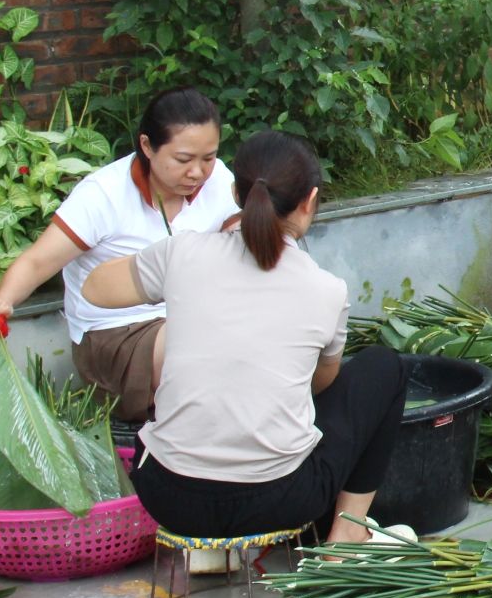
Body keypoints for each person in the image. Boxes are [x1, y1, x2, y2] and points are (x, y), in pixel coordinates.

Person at [82, 131, 405, 544]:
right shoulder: (326, 289)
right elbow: (321, 383)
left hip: (169, 497)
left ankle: (211, 554)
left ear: (235, 192)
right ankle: (345, 539)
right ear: (310, 201)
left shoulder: (183, 254)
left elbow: (94, 289)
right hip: (281, 499)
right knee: (385, 368)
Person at [0, 87, 236, 421]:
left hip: (193, 319)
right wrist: (2, 303)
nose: (198, 172)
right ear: (146, 146)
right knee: (201, 340)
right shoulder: (104, 194)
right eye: (183, 160)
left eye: (208, 158)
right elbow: (39, 261)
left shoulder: (219, 181)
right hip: (116, 336)